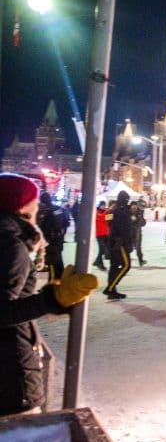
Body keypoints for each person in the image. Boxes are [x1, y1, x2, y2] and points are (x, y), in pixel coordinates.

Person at [0, 173, 98, 416]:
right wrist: (52, 299)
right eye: (33, 199)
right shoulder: (9, 244)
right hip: (8, 374)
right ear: (21, 205)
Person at [104, 191, 133, 300]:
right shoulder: (121, 211)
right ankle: (110, 288)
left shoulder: (114, 210)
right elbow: (125, 228)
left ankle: (112, 290)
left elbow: (108, 221)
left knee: (114, 266)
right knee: (126, 265)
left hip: (114, 241)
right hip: (120, 242)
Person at [36, 192, 70, 283]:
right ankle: (59, 281)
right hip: (59, 239)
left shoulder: (43, 211)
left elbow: (40, 226)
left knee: (51, 262)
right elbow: (67, 222)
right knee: (58, 260)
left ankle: (52, 285)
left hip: (49, 241)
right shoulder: (59, 209)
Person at [129, 200, 147, 266]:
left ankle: (140, 260)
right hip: (130, 233)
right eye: (133, 206)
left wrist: (143, 221)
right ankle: (125, 261)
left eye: (135, 206)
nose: (134, 208)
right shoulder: (127, 213)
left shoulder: (139, 213)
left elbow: (143, 223)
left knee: (138, 247)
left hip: (137, 233)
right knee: (128, 248)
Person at [93, 200, 110, 270]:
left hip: (106, 233)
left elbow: (108, 221)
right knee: (102, 249)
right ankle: (100, 264)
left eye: (104, 205)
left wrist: (109, 212)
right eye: (102, 205)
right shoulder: (96, 212)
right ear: (99, 205)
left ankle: (97, 261)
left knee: (104, 249)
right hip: (99, 234)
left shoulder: (106, 212)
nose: (103, 206)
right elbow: (101, 218)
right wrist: (108, 211)